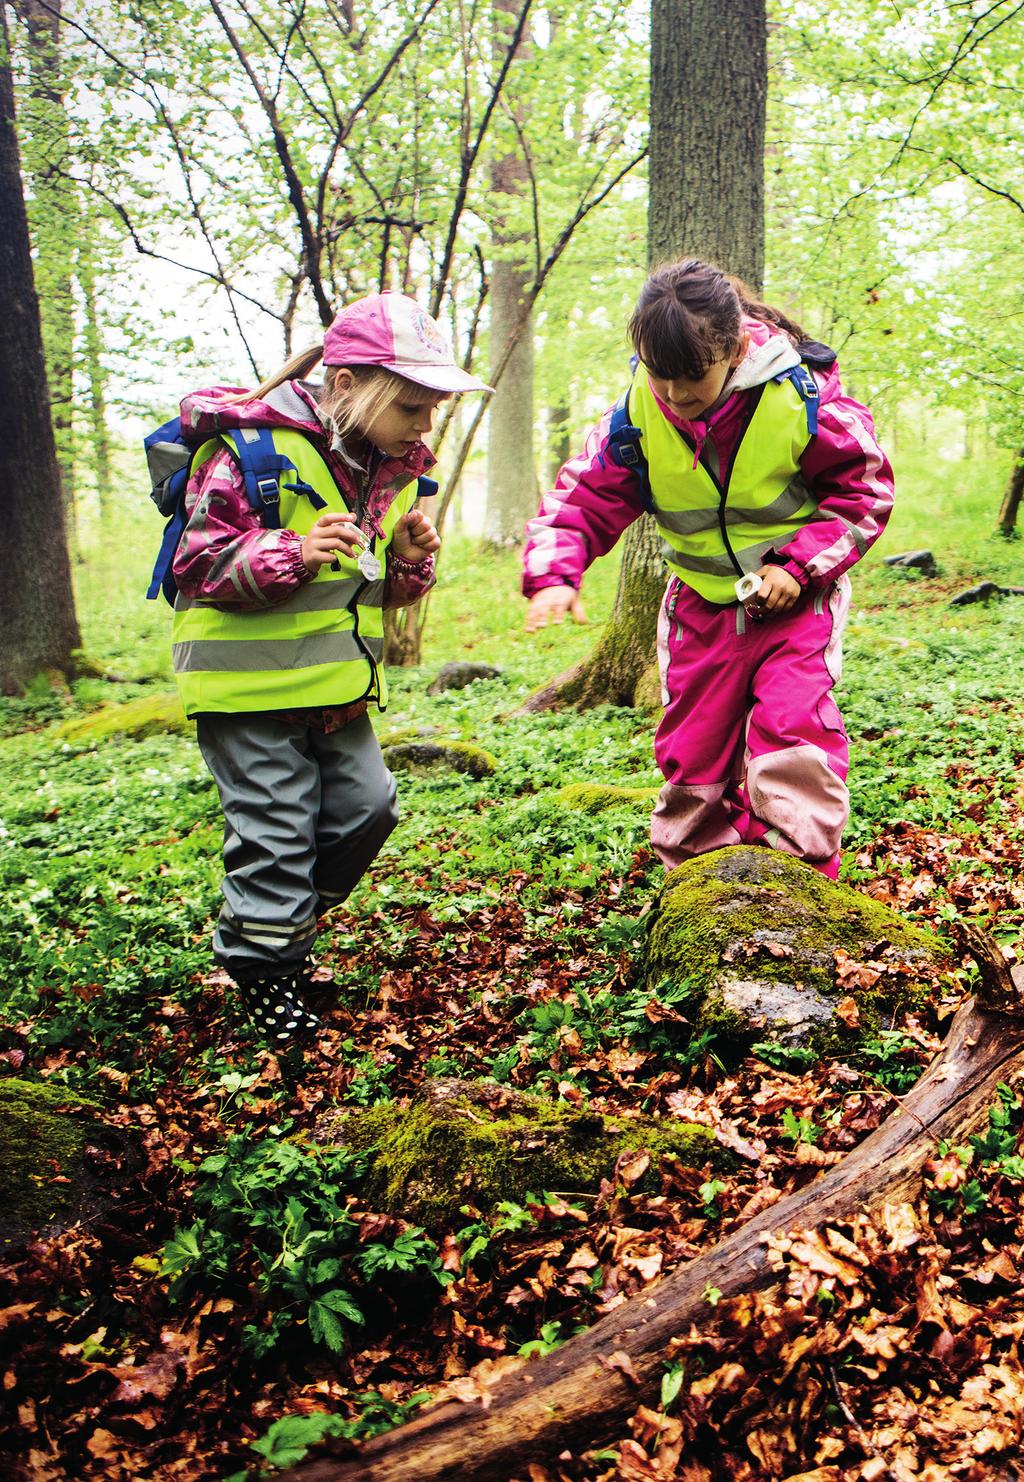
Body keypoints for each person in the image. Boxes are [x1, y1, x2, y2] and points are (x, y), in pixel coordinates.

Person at [170, 292, 490, 1043]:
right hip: (244, 689)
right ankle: (264, 966)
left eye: (433, 407)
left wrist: (408, 565)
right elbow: (197, 563)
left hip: (335, 684)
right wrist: (292, 549)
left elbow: (367, 586)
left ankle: (276, 926)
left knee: (368, 809)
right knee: (277, 830)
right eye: (413, 406)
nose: (426, 424)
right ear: (346, 386)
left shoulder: (390, 470)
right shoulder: (249, 451)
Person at [522, 258, 894, 880]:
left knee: (793, 728)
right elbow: (579, 499)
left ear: (734, 346)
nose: (674, 393)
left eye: (691, 376)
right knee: (693, 747)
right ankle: (700, 881)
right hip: (699, 604)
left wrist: (799, 569)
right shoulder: (636, 415)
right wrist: (555, 573)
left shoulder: (803, 397)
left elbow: (865, 493)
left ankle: (799, 878)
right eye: (658, 374)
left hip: (796, 606)